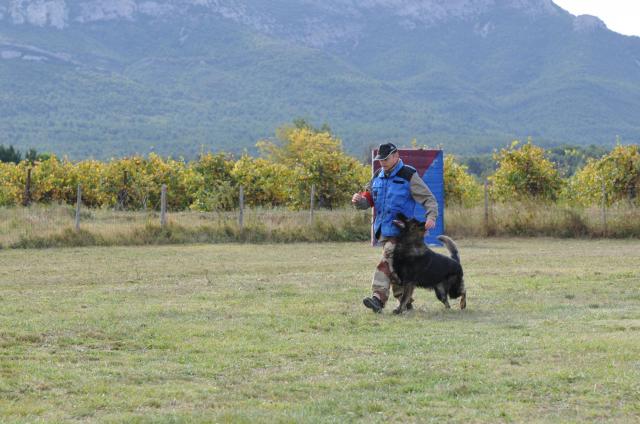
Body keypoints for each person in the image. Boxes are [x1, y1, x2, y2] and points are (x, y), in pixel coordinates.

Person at [352, 143, 438, 313]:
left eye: (385, 158)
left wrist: (431, 217)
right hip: (383, 231)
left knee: (387, 258)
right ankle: (406, 303)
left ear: (396, 156)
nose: (382, 162)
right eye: (380, 159)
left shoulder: (409, 175)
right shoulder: (377, 176)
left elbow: (429, 199)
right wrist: (358, 200)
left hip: (403, 232)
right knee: (395, 267)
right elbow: (367, 200)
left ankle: (378, 298)